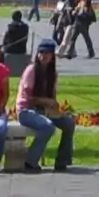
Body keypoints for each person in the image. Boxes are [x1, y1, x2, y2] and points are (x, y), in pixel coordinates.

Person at [22, 38, 77, 170]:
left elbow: (52, 97)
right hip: (27, 111)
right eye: (41, 52)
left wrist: (55, 109)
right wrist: (46, 102)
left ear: (52, 55)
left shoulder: (53, 73)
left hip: (44, 110)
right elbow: (27, 99)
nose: (43, 55)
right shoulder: (31, 70)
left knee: (69, 123)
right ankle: (30, 161)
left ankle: (62, 161)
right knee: (48, 126)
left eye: (47, 53)